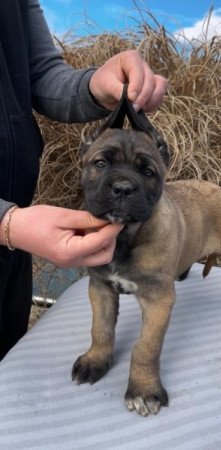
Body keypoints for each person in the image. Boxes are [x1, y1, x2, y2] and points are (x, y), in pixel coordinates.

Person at [0, 0, 168, 359]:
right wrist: (4, 222)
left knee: (9, 357)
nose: (122, 184)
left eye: (146, 170)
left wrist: (93, 85)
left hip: (16, 235)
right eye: (103, 163)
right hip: (13, 225)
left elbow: (41, 73)